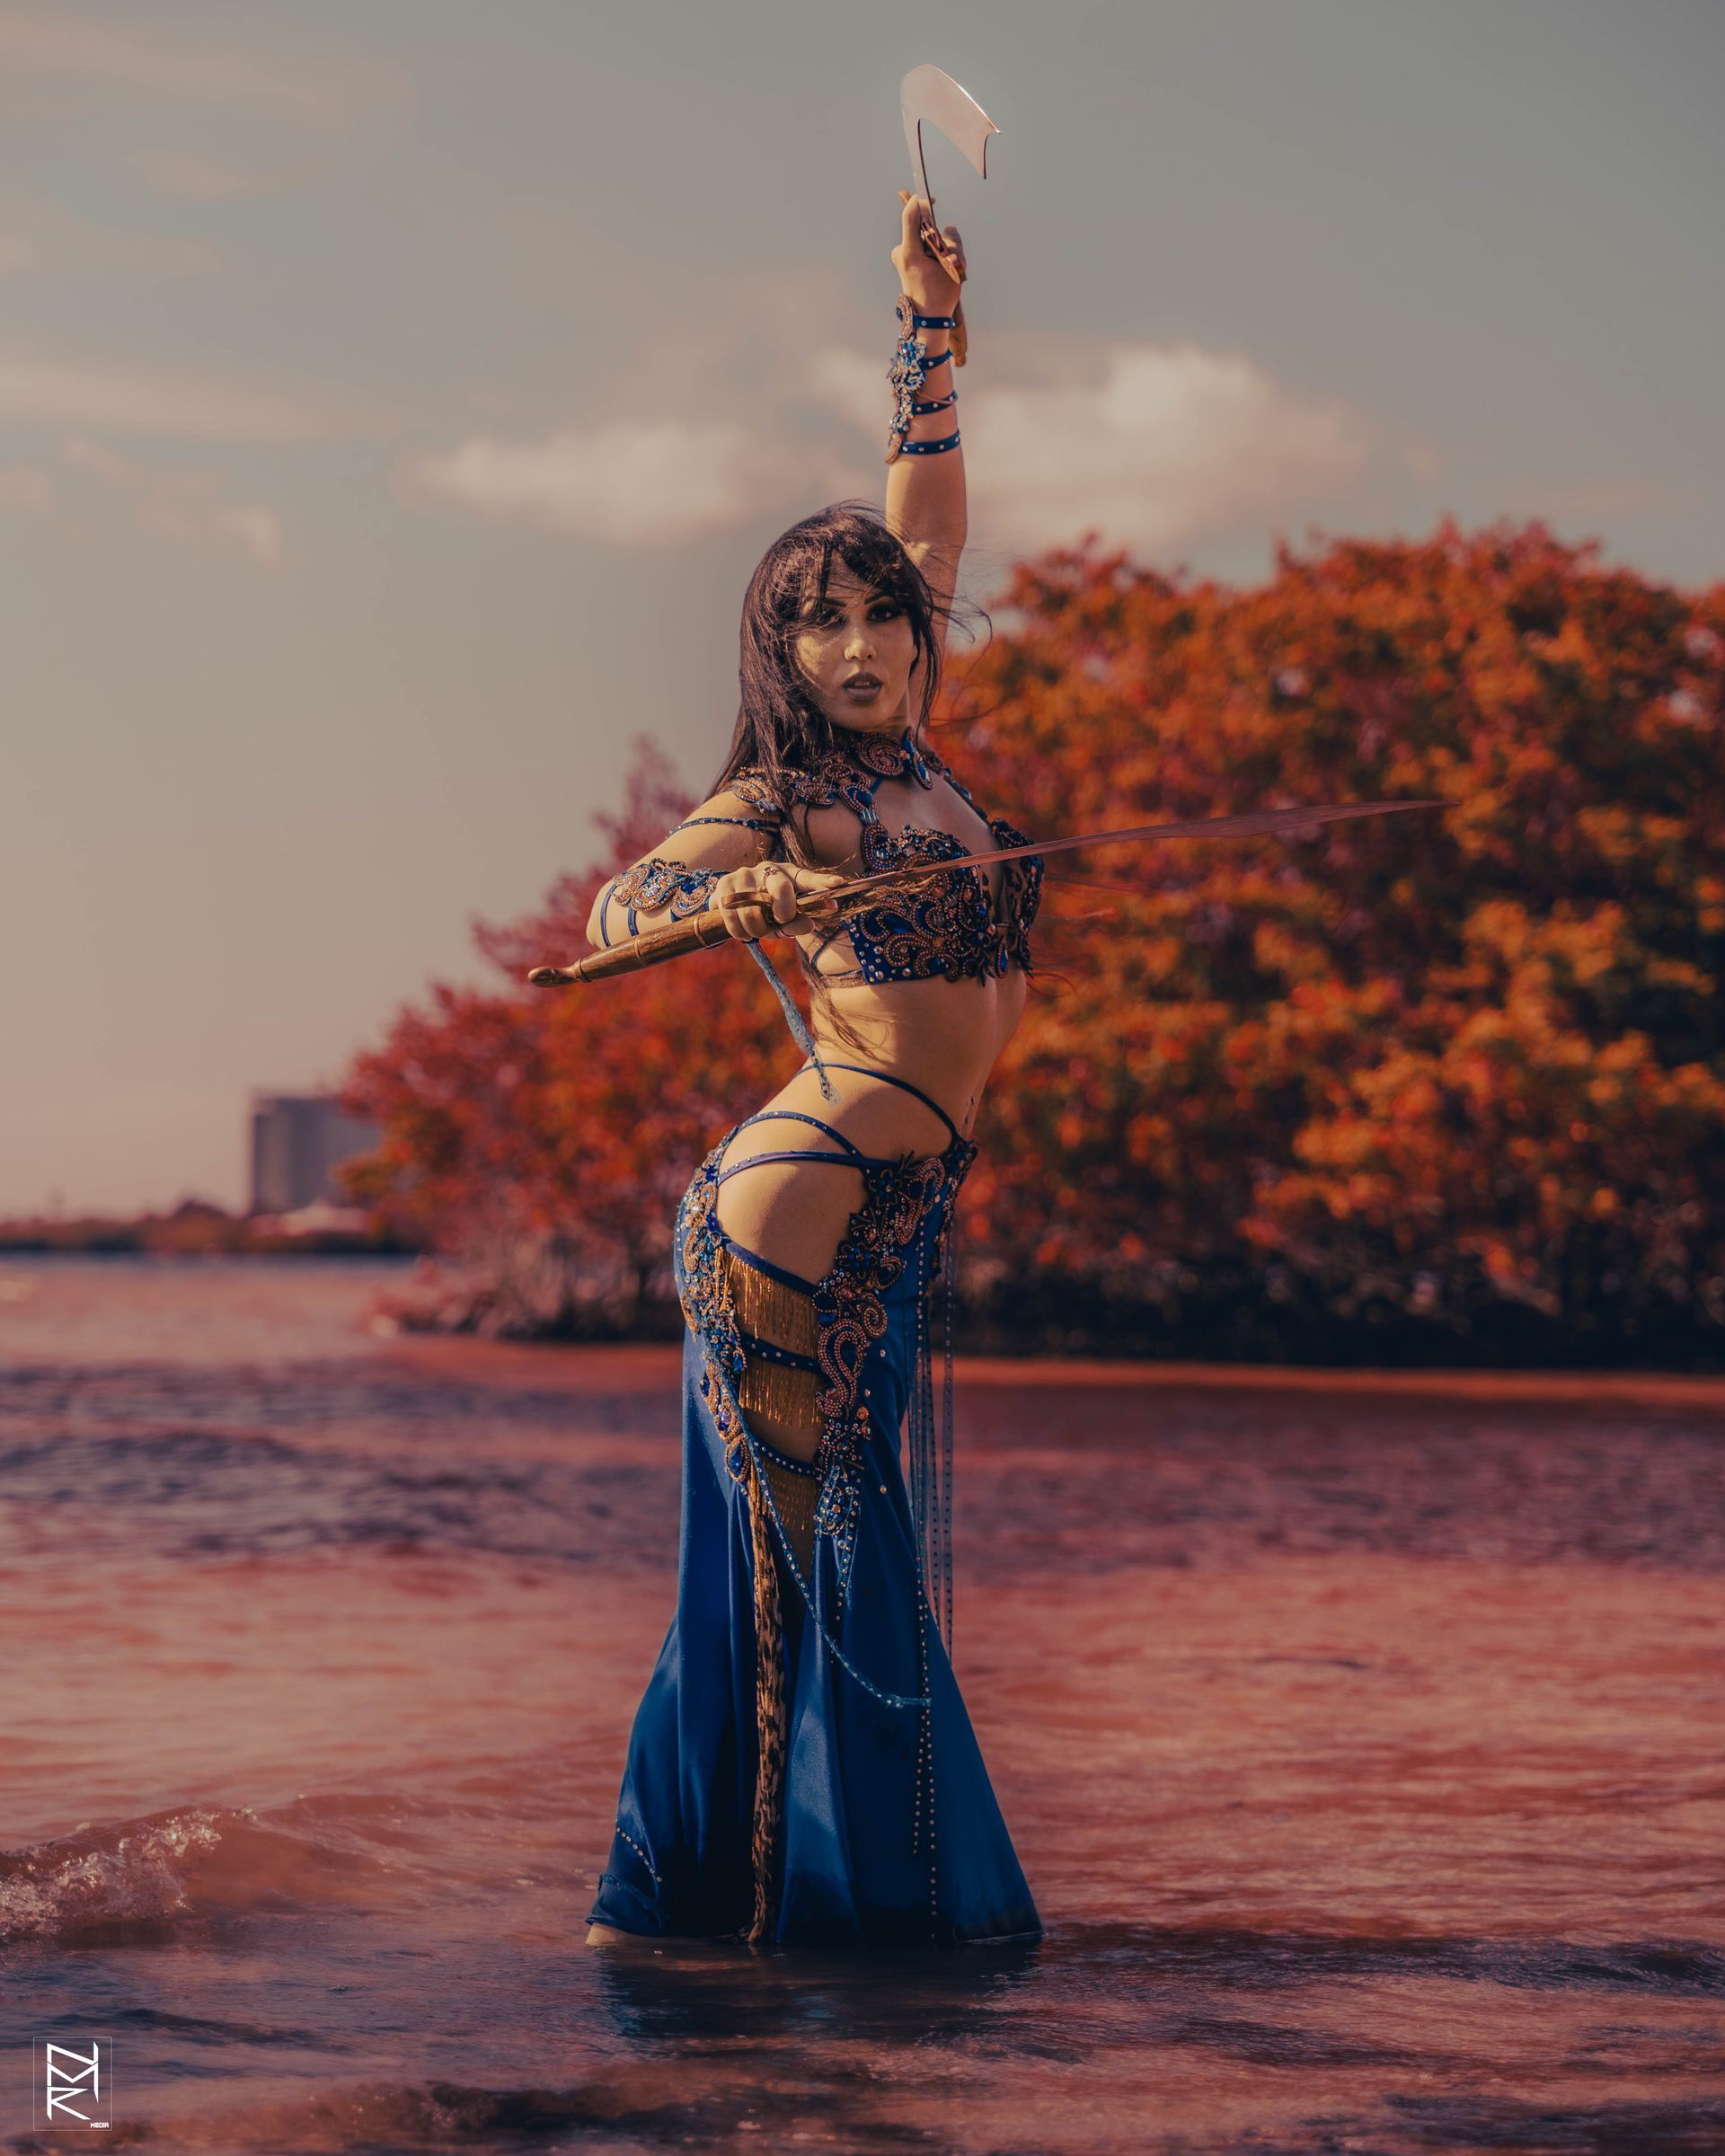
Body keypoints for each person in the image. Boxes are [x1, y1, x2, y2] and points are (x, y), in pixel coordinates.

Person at [584, 190, 1044, 1951]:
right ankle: (810, 1946)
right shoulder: (792, 797)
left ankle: (728, 1930)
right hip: (786, 1241)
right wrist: (729, 883)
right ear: (779, 659)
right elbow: (633, 900)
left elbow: (919, 508)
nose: (856, 647)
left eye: (879, 618)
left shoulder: (928, 770)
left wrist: (925, 323)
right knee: (812, 1599)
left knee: (818, 1584)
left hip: (887, 1225)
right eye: (818, 629)